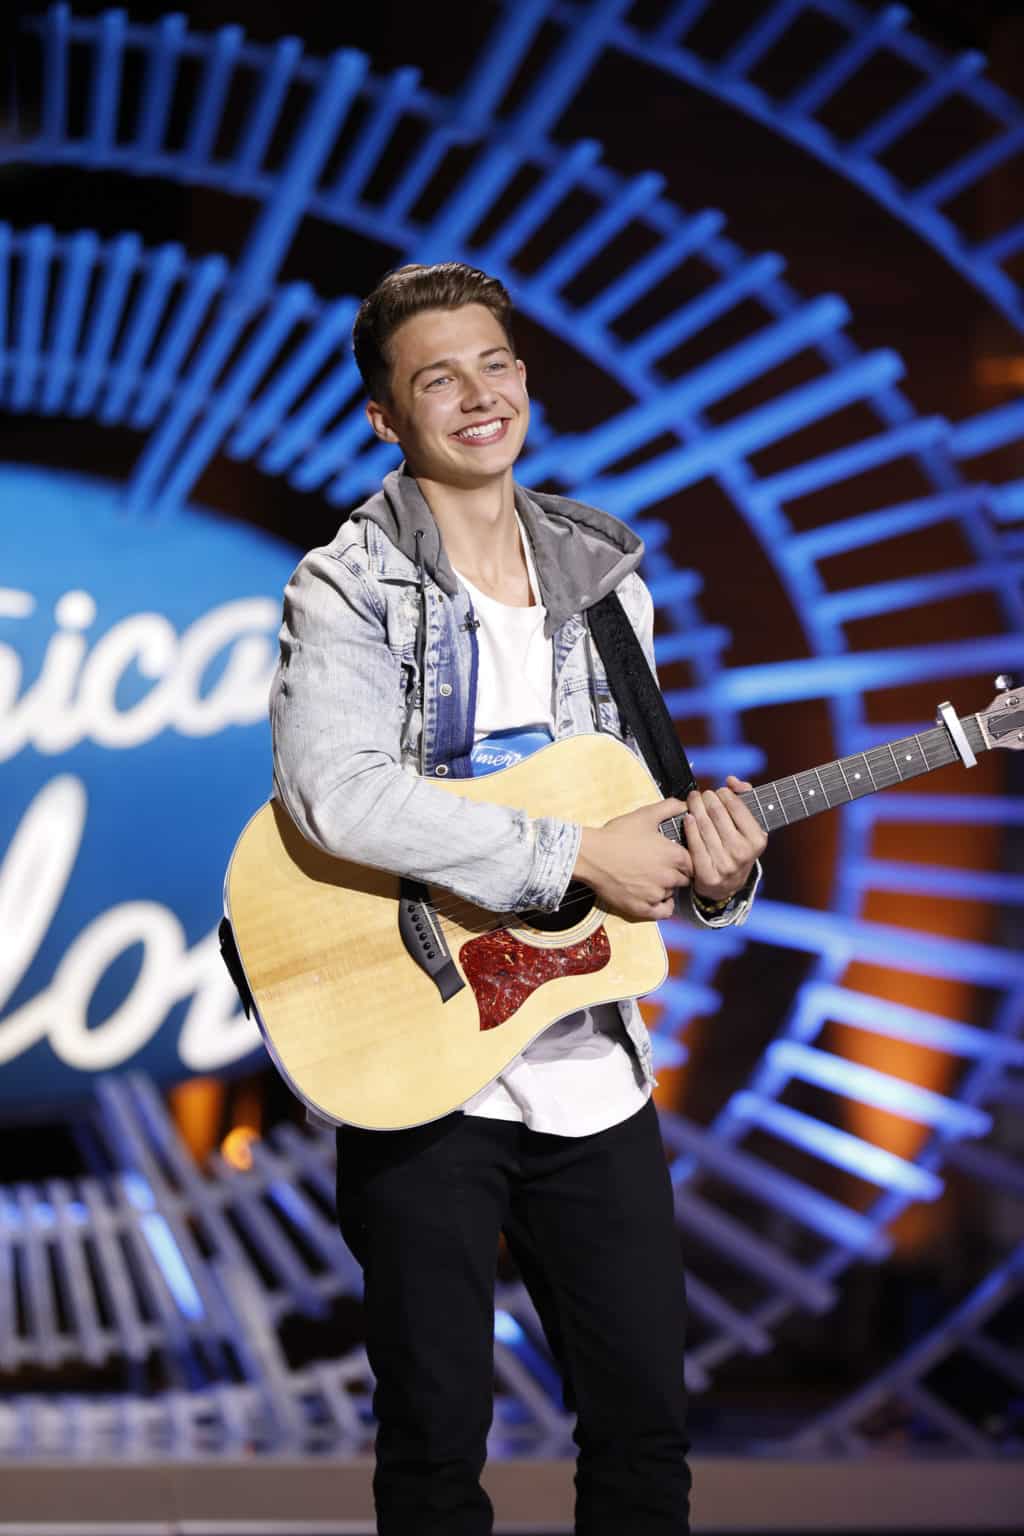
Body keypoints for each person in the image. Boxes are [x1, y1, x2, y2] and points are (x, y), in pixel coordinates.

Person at [270, 262, 767, 1536]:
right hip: (421, 1057)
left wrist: (716, 873)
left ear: (525, 380)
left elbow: (638, 812)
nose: (478, 396)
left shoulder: (607, 583)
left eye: (494, 365)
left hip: (591, 1069)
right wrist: (569, 859)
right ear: (386, 417)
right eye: (437, 378)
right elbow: (337, 795)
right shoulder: (348, 582)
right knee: (435, 1453)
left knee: (644, 1440)